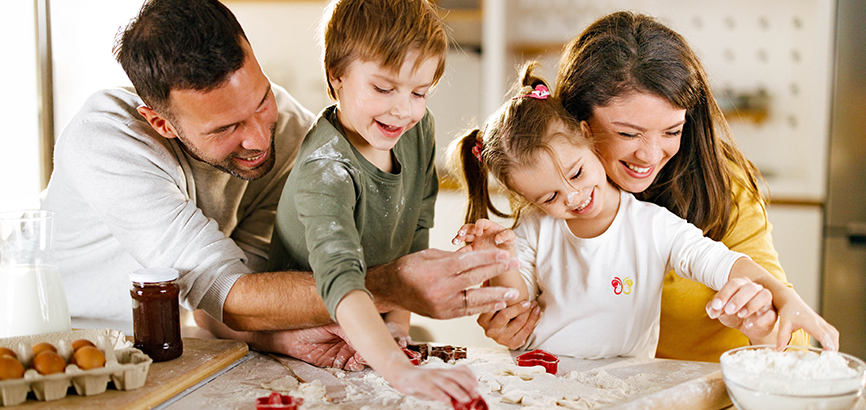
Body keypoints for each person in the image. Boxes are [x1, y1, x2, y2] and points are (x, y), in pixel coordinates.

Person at [39, 0, 519, 370]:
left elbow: (237, 296)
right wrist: (392, 286)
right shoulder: (105, 141)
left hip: (169, 348)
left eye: (261, 99)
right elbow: (222, 288)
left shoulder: (287, 130)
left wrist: (286, 337)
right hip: (57, 346)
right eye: (225, 128)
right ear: (161, 123)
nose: (257, 138)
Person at [477, 11, 812, 362]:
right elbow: (525, 306)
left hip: (708, 389)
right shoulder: (556, 188)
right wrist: (509, 317)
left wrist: (765, 321)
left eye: (672, 131)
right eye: (627, 133)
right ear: (579, 127)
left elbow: (795, 339)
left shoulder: (719, 189)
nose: (650, 155)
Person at [265, 0, 479, 402]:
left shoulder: (417, 130)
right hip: (300, 346)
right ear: (337, 75)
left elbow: (416, 227)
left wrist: (397, 326)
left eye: (420, 92)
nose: (403, 110)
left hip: (366, 342)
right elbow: (341, 280)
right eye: (383, 88)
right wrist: (399, 371)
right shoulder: (325, 169)